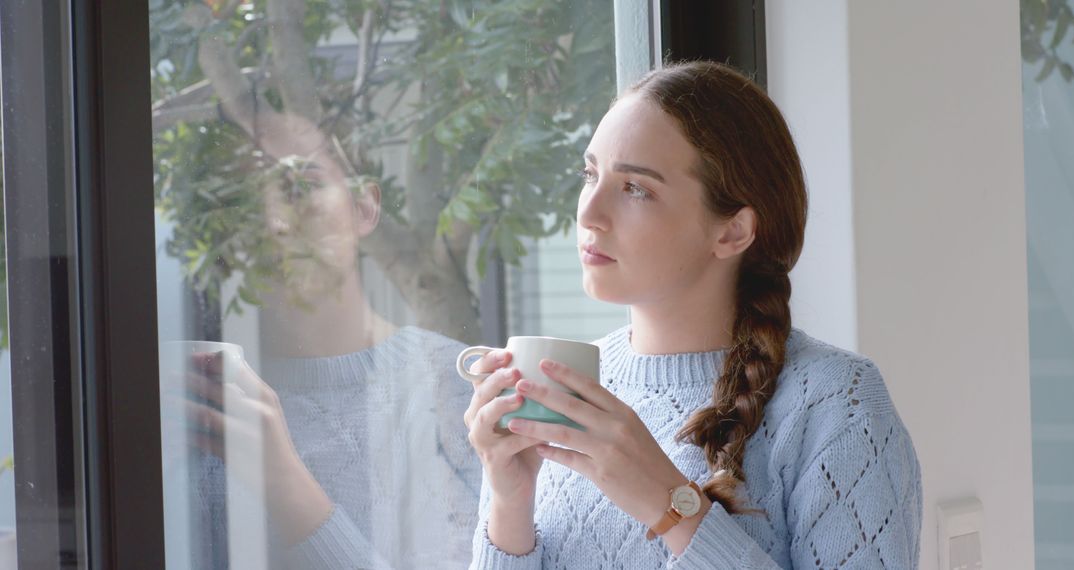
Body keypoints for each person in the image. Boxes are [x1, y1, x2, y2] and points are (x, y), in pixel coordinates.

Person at [463, 61, 923, 569]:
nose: (588, 214)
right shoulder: (569, 386)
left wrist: (671, 505)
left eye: (636, 188)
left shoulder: (840, 405)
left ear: (732, 232)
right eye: (590, 174)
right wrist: (509, 502)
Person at [166, 113, 481, 569]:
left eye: (301, 186)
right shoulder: (200, 397)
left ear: (364, 208)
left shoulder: (459, 390)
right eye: (243, 203)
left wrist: (282, 481)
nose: (274, 222)